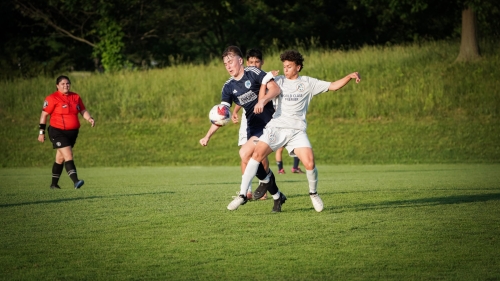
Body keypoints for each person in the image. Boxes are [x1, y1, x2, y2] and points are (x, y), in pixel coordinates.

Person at [240, 50, 361, 212]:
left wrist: (349, 76)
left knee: (310, 163)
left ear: (298, 67)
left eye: (289, 66)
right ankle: (245, 193)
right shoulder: (279, 81)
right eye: (284, 66)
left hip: (297, 131)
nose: (286, 69)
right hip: (277, 127)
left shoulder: (308, 83)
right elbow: (262, 97)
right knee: (256, 155)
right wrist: (265, 80)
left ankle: (313, 194)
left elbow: (333, 86)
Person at [199, 46, 284, 211]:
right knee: (248, 157)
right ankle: (277, 195)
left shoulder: (253, 72)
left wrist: (263, 100)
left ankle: (246, 193)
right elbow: (222, 115)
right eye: (225, 64)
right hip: (253, 127)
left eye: (230, 62)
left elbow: (275, 88)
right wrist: (207, 136)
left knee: (246, 154)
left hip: (270, 123)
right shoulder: (228, 87)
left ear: (240, 61)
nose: (228, 66)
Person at [231, 48, 279, 200]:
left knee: (260, 154)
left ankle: (263, 188)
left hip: (264, 120)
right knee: (244, 154)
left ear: (262, 63)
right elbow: (244, 96)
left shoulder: (265, 78)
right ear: (246, 63)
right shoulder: (245, 76)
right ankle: (247, 191)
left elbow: (271, 92)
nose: (254, 65)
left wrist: (264, 99)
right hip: (248, 119)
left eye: (257, 62)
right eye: (251, 62)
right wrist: (235, 111)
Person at [38, 75, 95, 189]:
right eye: (63, 84)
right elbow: (44, 115)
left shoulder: (75, 97)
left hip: (72, 132)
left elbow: (82, 110)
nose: (65, 85)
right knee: (68, 155)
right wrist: (41, 132)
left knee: (60, 158)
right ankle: (76, 181)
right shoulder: (52, 98)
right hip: (57, 131)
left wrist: (89, 118)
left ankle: (54, 184)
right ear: (57, 86)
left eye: (67, 83)